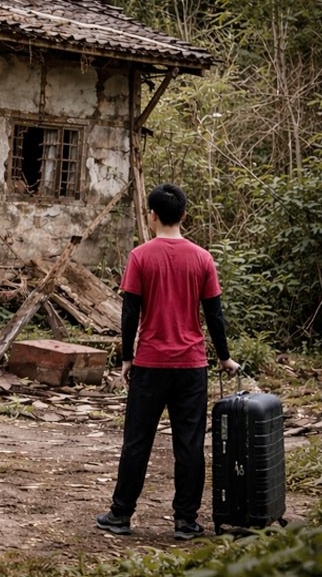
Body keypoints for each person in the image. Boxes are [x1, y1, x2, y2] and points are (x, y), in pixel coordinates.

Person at [95, 183, 240, 541]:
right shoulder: (203, 258)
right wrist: (223, 357)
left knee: (137, 441)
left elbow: (130, 313)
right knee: (189, 443)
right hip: (191, 366)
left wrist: (127, 358)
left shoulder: (141, 256)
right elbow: (215, 315)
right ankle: (186, 522)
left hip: (150, 364)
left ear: (152, 215)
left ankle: (121, 515)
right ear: (184, 215)